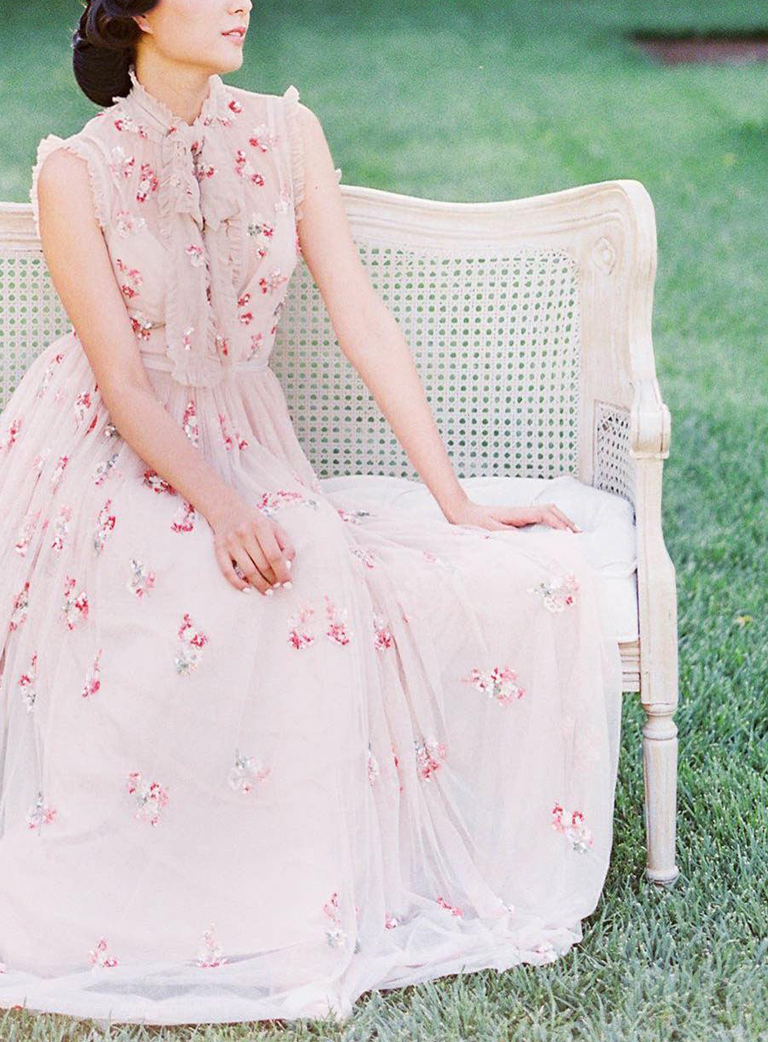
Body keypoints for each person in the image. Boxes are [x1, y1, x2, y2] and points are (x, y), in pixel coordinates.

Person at [0, 0, 624, 1027]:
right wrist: (218, 507)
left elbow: (361, 317)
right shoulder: (77, 170)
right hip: (119, 453)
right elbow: (122, 384)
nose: (240, 1)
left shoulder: (286, 134)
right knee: (195, 576)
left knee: (306, 568)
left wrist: (455, 499)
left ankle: (288, 907)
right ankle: (165, 895)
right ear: (139, 12)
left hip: (249, 440)